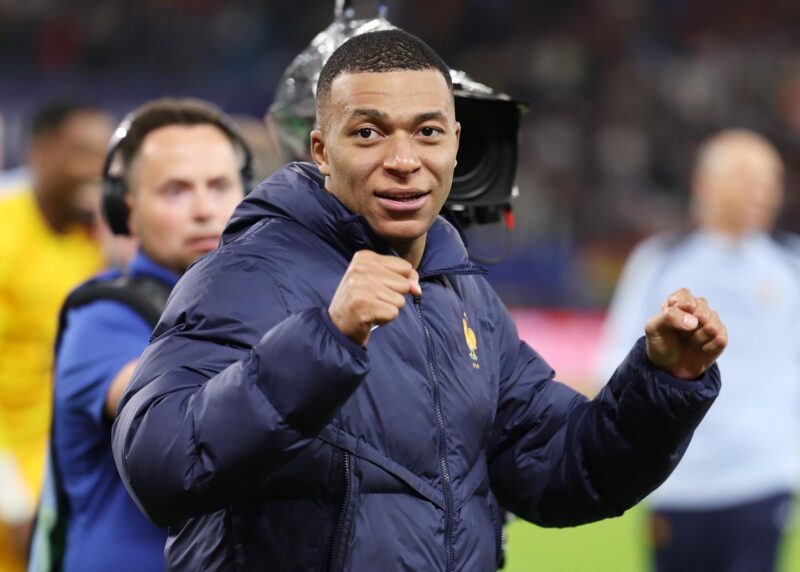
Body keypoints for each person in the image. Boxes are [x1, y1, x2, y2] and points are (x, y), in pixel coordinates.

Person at [112, 30, 727, 571]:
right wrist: (326, 338)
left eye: (427, 133)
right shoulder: (241, 276)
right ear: (322, 150)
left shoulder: (465, 295)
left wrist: (663, 385)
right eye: (370, 132)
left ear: (455, 144)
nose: (404, 161)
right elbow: (160, 464)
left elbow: (564, 468)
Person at [28, 98, 252, 572]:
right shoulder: (104, 316)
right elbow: (177, 430)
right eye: (175, 190)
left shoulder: (265, 306)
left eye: (219, 186)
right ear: (125, 209)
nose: (204, 209)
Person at [596, 129, 797, 572]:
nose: (765, 191)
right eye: (748, 177)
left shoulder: (790, 266)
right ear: (705, 185)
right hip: (678, 482)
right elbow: (615, 363)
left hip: (763, 478)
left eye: (772, 179)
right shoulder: (660, 262)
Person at [0, 101, 111, 572]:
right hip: (13, 490)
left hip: (66, 475)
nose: (98, 170)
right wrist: (11, 499)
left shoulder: (95, 239)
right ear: (41, 153)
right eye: (83, 153)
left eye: (106, 156)